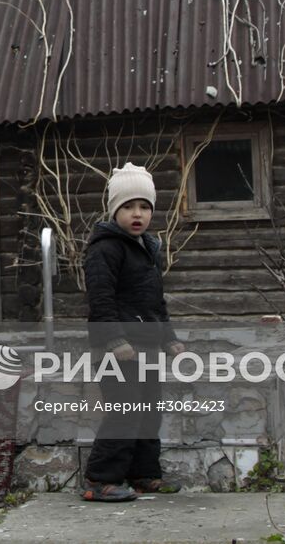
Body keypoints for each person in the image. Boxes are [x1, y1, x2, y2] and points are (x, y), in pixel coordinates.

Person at [80, 162, 186, 502]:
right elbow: (100, 299)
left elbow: (155, 301)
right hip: (118, 350)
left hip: (147, 347)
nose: (137, 214)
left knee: (148, 411)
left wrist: (169, 338)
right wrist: (114, 340)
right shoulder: (105, 248)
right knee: (124, 410)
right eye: (128, 207)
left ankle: (143, 474)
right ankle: (100, 480)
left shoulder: (148, 250)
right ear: (115, 211)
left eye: (144, 207)